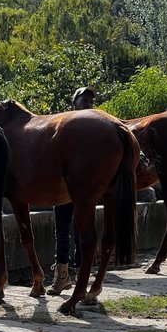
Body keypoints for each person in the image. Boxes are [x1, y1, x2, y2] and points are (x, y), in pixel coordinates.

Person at [48, 86, 94, 295]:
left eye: (90, 101)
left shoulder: (96, 128)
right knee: (62, 231)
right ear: (74, 103)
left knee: (82, 231)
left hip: (84, 189)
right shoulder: (63, 125)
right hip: (64, 187)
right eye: (84, 100)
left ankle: (80, 275)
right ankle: (62, 275)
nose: (88, 104)